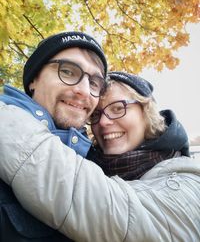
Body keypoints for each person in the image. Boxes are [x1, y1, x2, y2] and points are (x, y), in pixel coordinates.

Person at [0, 72, 200, 241]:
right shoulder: (90, 165)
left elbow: (111, 210)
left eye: (118, 108)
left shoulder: (188, 180)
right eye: (96, 115)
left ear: (147, 113)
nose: (103, 122)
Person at [0, 31, 108, 242]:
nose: (84, 91)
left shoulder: (98, 163)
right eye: (67, 71)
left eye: (95, 83)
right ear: (34, 79)